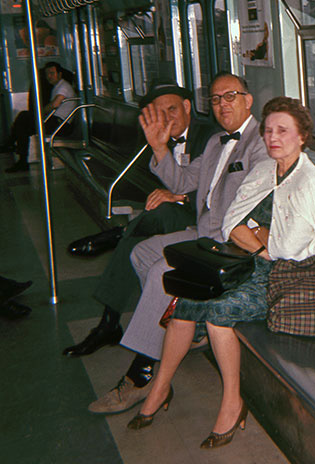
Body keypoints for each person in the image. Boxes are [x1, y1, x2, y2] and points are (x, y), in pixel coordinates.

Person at [127, 96, 315, 449]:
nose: (272, 137)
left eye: (283, 130)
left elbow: (289, 248)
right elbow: (230, 222)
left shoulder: (307, 182)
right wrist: (258, 240)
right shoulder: (266, 169)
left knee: (218, 315)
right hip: (251, 262)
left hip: (284, 276)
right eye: (268, 130)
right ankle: (159, 389)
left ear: (302, 136)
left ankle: (232, 402)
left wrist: (255, 236)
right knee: (186, 300)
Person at [88, 73, 267, 415]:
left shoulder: (261, 143)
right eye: (215, 99)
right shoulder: (215, 142)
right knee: (142, 252)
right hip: (203, 233)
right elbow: (183, 181)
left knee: (160, 273)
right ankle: (182, 325)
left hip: (232, 243)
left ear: (248, 99)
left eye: (230, 96)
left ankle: (142, 375)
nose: (222, 105)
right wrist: (159, 147)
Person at [63, 81, 216, 357]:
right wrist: (163, 163)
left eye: (172, 109)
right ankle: (111, 320)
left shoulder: (209, 136)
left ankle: (109, 322)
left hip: (205, 222)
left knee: (155, 216)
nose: (167, 118)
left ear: (187, 107)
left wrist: (177, 196)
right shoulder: (159, 136)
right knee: (139, 236)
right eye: (160, 113)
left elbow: (206, 190)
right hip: (173, 216)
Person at [5, 61, 77, 173]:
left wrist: (40, 112)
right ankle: (21, 158)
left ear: (60, 74)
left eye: (52, 73)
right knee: (24, 127)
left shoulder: (63, 87)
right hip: (55, 122)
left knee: (24, 117)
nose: (49, 76)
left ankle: (12, 145)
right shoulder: (58, 86)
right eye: (47, 74)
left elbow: (55, 104)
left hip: (60, 125)